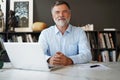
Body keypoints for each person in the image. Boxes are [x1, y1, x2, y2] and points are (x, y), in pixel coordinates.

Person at [38, 0, 92, 66]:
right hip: (52, 72)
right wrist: (49, 59)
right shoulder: (45, 33)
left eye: (64, 12)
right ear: (52, 16)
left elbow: (87, 55)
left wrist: (70, 60)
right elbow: (38, 54)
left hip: (75, 73)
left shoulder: (79, 32)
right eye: (57, 12)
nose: (61, 15)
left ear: (69, 14)